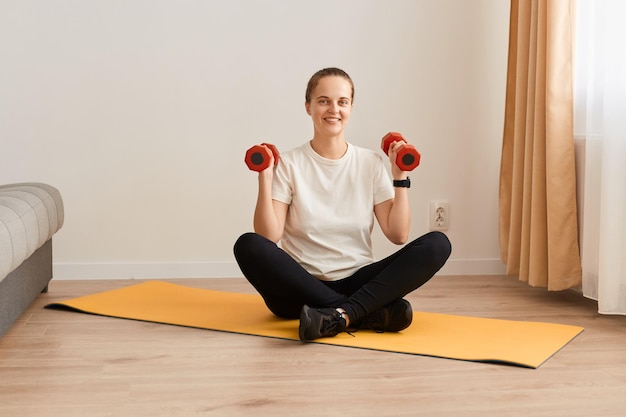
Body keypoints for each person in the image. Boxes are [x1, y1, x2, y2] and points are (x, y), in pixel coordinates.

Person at [234, 67, 451, 341]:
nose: (333, 109)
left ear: (351, 107)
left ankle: (337, 316)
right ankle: (361, 312)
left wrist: (399, 177)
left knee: (437, 244)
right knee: (248, 244)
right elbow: (268, 237)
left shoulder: (370, 163)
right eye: (323, 100)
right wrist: (265, 178)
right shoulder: (289, 164)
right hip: (299, 287)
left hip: (358, 279)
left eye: (342, 102)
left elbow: (398, 235)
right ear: (308, 107)